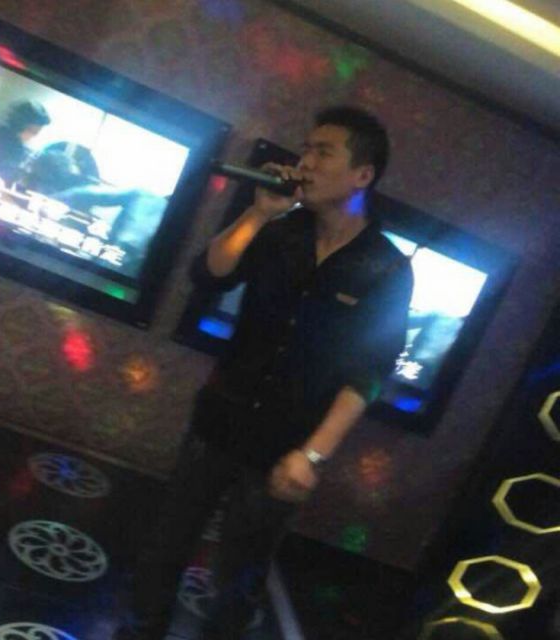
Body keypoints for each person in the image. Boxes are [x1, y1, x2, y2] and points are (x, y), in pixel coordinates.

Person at [115, 106, 414, 640]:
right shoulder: (281, 232)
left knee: (240, 577)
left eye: (323, 152)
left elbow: (368, 374)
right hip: (219, 422)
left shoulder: (388, 268)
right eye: (307, 149)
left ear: (362, 174)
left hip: (285, 446)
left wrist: (312, 455)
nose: (306, 161)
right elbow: (209, 275)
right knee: (164, 546)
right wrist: (257, 214)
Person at [0, 99, 51, 185]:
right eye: (32, 131)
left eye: (36, 132)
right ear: (20, 124)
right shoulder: (5, 143)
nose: (33, 136)